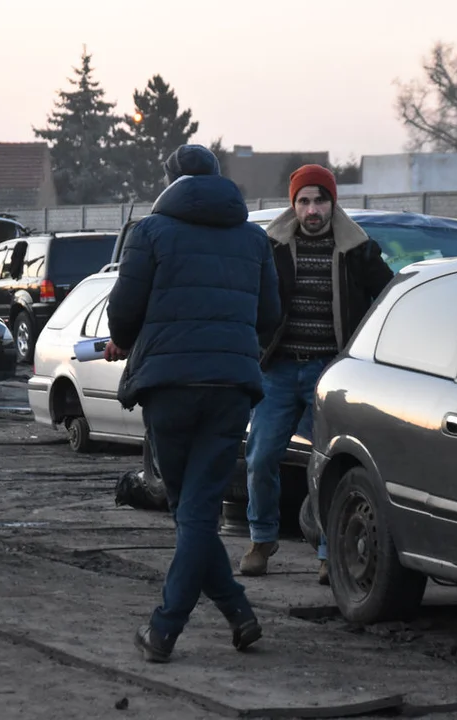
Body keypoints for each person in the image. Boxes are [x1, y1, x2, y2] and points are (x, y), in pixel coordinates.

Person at [104, 144, 281, 663]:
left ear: (170, 181)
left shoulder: (150, 232)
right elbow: (270, 316)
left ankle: (164, 629)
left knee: (192, 513)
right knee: (195, 511)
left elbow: (121, 318)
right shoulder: (253, 237)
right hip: (231, 387)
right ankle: (239, 613)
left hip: (169, 387)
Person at [240, 164, 394, 584]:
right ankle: (261, 539)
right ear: (294, 205)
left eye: (320, 200)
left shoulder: (358, 250)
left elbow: (388, 300)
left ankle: (330, 552)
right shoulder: (272, 248)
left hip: (330, 375)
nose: (313, 209)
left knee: (327, 466)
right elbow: (249, 301)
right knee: (260, 458)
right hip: (278, 371)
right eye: (304, 201)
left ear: (332, 203)